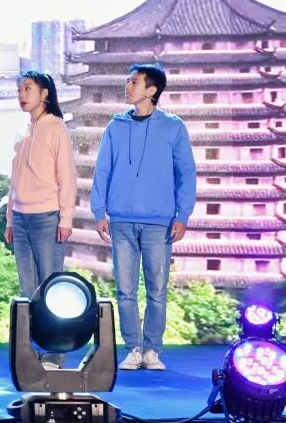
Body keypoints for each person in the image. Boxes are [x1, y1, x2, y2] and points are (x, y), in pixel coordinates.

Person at [92, 63, 196, 371]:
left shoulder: (174, 127)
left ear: (151, 90)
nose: (127, 86)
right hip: (120, 219)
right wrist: (99, 210)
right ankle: (133, 349)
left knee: (157, 290)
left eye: (134, 82)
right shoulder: (115, 126)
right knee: (125, 291)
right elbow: (102, 169)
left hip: (158, 222)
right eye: (128, 81)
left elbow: (186, 173)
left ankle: (152, 350)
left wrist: (183, 215)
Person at [4, 70, 76, 369]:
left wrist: (66, 218)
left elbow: (67, 177)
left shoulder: (56, 128)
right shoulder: (23, 132)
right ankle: (34, 350)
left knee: (50, 289)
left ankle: (55, 354)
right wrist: (10, 219)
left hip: (47, 218)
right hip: (21, 219)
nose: (22, 95)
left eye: (28, 89)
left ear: (44, 94)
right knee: (28, 290)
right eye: (20, 89)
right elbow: (14, 180)